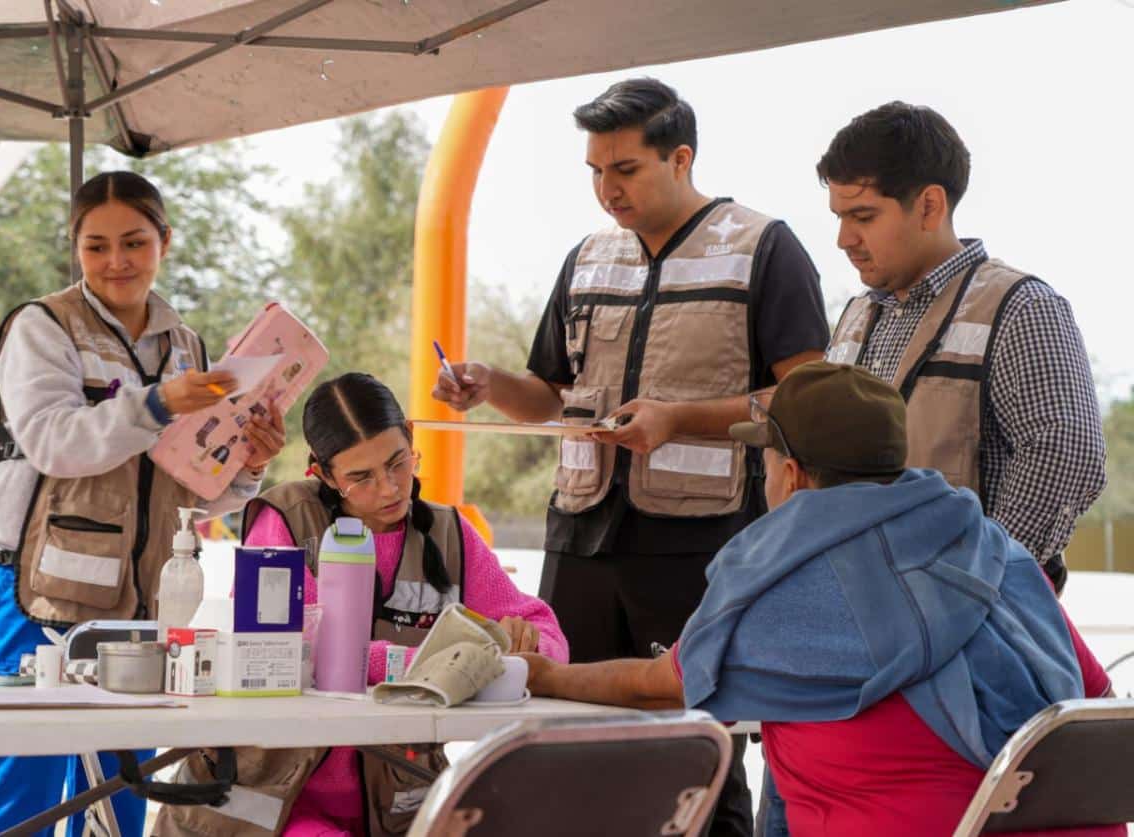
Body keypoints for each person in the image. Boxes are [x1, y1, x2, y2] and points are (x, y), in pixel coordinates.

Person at [432, 78, 830, 834]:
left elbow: (809, 400)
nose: (606, 189)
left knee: (695, 751)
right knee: (559, 734)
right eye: (594, 171)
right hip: (582, 539)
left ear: (680, 159)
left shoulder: (762, 249)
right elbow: (549, 393)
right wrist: (487, 384)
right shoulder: (586, 258)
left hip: (701, 545)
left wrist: (678, 418)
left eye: (625, 170)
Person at [521, 361, 1120, 837]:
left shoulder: (782, 582)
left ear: (793, 473)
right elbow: (1095, 703)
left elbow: (657, 685)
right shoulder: (996, 552)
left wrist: (546, 675)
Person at [0, 171, 285, 837]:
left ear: (165, 241)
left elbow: (190, 484)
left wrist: (248, 463)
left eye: (134, 242)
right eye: (96, 246)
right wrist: (160, 401)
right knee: (23, 792)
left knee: (119, 791)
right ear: (74, 249)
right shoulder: (41, 327)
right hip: (27, 593)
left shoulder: (184, 347)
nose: (116, 262)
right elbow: (54, 442)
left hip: (137, 603)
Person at [156, 372, 568, 837]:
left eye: (398, 463)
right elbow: (293, 652)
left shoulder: (449, 535)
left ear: (411, 438)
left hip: (397, 808)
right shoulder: (283, 524)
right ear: (323, 473)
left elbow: (546, 636)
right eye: (361, 477)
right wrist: (455, 665)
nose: (390, 488)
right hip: (274, 802)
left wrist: (524, 646)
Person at [820, 101, 1106, 595]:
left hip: (966, 622)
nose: (844, 238)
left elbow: (1066, 451)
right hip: (863, 599)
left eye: (862, 215)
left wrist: (975, 576)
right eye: (840, 216)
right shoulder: (858, 315)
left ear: (930, 205)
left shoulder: (1020, 307)